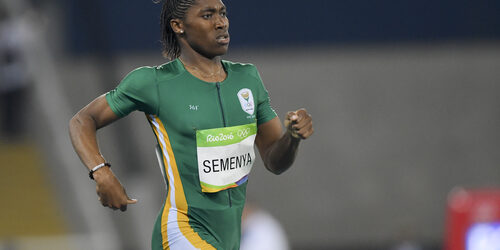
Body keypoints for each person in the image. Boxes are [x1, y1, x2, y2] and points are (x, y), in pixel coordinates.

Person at [68, 0, 314, 249]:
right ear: (178, 26)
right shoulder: (153, 83)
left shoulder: (248, 79)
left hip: (228, 239)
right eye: (208, 15)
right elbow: (82, 121)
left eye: (223, 13)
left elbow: (274, 161)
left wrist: (292, 138)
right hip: (180, 231)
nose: (221, 23)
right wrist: (101, 172)